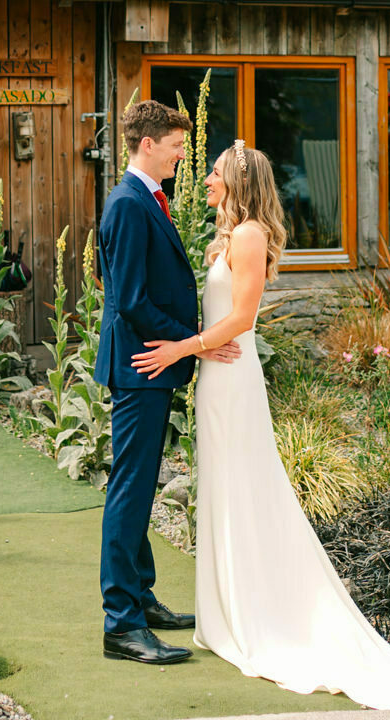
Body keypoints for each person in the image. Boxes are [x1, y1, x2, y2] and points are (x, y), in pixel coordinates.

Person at [131, 140, 390, 708]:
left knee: (246, 491)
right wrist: (201, 350)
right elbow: (222, 317)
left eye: (213, 174)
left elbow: (241, 317)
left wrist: (181, 349)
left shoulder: (249, 235)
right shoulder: (229, 235)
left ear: (238, 183)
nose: (206, 181)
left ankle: (257, 616)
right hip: (217, 379)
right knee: (223, 491)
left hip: (235, 387)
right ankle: (226, 615)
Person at [94, 100, 242, 665]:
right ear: (147, 144)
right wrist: (193, 337)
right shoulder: (130, 205)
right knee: (129, 491)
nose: (184, 155)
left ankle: (142, 597)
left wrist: (191, 338)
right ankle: (121, 624)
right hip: (142, 365)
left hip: (153, 363)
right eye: (177, 146)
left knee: (141, 483)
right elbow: (130, 299)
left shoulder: (145, 198)